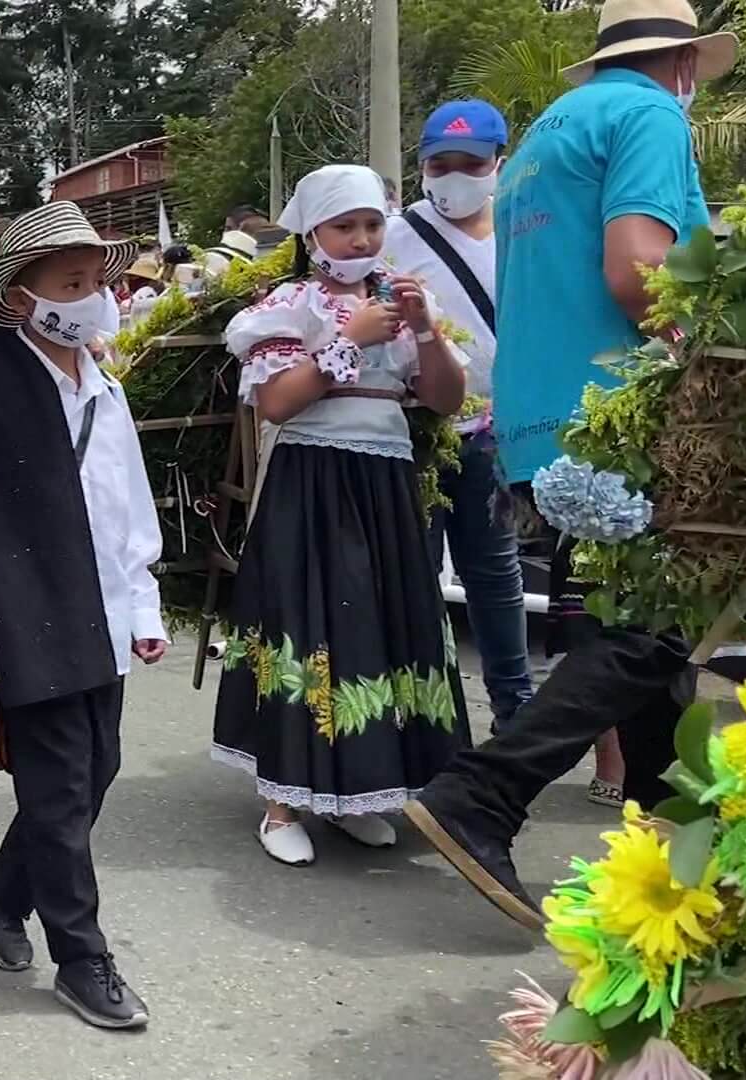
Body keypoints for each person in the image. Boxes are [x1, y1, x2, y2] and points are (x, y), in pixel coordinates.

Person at [404, 0, 731, 929]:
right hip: (619, 420)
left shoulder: (553, 129)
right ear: (680, 65)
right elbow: (640, 271)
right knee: (661, 637)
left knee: (629, 644)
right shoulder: (653, 116)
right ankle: (483, 794)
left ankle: (671, 867)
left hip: (539, 429)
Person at [0, 200, 166, 1030]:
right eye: (71, 282)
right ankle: (82, 957)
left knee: (94, 773)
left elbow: (129, 501)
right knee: (61, 787)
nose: (93, 296)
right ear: (24, 297)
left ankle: (3, 888)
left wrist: (145, 601)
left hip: (100, 607)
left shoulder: (101, 383)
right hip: (27, 611)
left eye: (96, 279)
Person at [211, 165, 471, 868]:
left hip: (383, 482)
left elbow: (444, 400)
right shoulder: (289, 303)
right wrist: (348, 338)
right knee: (309, 623)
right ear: (313, 233)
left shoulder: (402, 301)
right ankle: (280, 804)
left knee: (377, 628)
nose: (360, 239)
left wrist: (424, 332)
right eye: (344, 226)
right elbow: (276, 404)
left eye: (371, 225)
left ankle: (358, 793)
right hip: (312, 479)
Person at [383, 101, 539, 740]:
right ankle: (422, 718)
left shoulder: (523, 232)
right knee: (413, 576)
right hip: (414, 430)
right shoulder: (394, 235)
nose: (453, 176)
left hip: (490, 434)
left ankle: (515, 710)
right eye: (438, 164)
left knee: (493, 574)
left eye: (469, 163)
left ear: (498, 164)